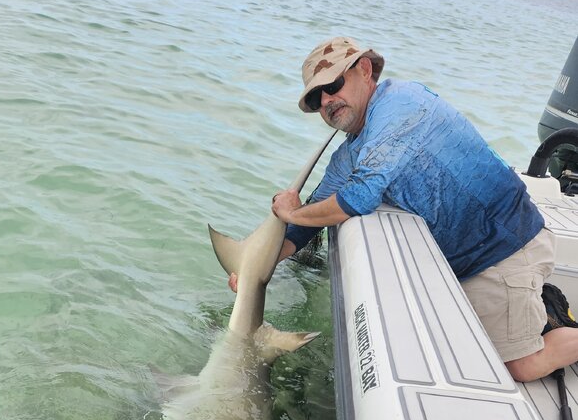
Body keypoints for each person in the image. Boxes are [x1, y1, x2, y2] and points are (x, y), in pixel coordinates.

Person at [229, 36, 578, 382]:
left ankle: (543, 319)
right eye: (316, 99)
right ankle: (536, 310)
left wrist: (290, 212)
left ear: (364, 70)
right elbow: (310, 222)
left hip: (505, 251)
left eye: (333, 84)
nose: (327, 101)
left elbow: (359, 197)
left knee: (519, 367)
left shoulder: (401, 105)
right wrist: (256, 267)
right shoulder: (349, 152)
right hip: (466, 261)